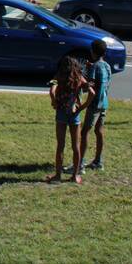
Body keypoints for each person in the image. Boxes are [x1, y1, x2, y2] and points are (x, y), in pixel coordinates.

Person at [46, 55, 93, 185]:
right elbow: (92, 93)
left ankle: (57, 176)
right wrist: (82, 107)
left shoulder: (58, 76)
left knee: (60, 146)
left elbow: (52, 91)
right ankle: (75, 176)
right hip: (74, 114)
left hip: (61, 113)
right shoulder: (79, 77)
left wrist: (54, 102)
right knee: (76, 146)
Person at [79, 39, 111, 175]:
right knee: (99, 131)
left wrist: (82, 82)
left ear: (92, 52)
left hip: (94, 104)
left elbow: (90, 86)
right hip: (104, 103)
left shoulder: (94, 67)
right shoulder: (106, 66)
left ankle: (80, 164)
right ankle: (98, 162)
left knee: (84, 132)